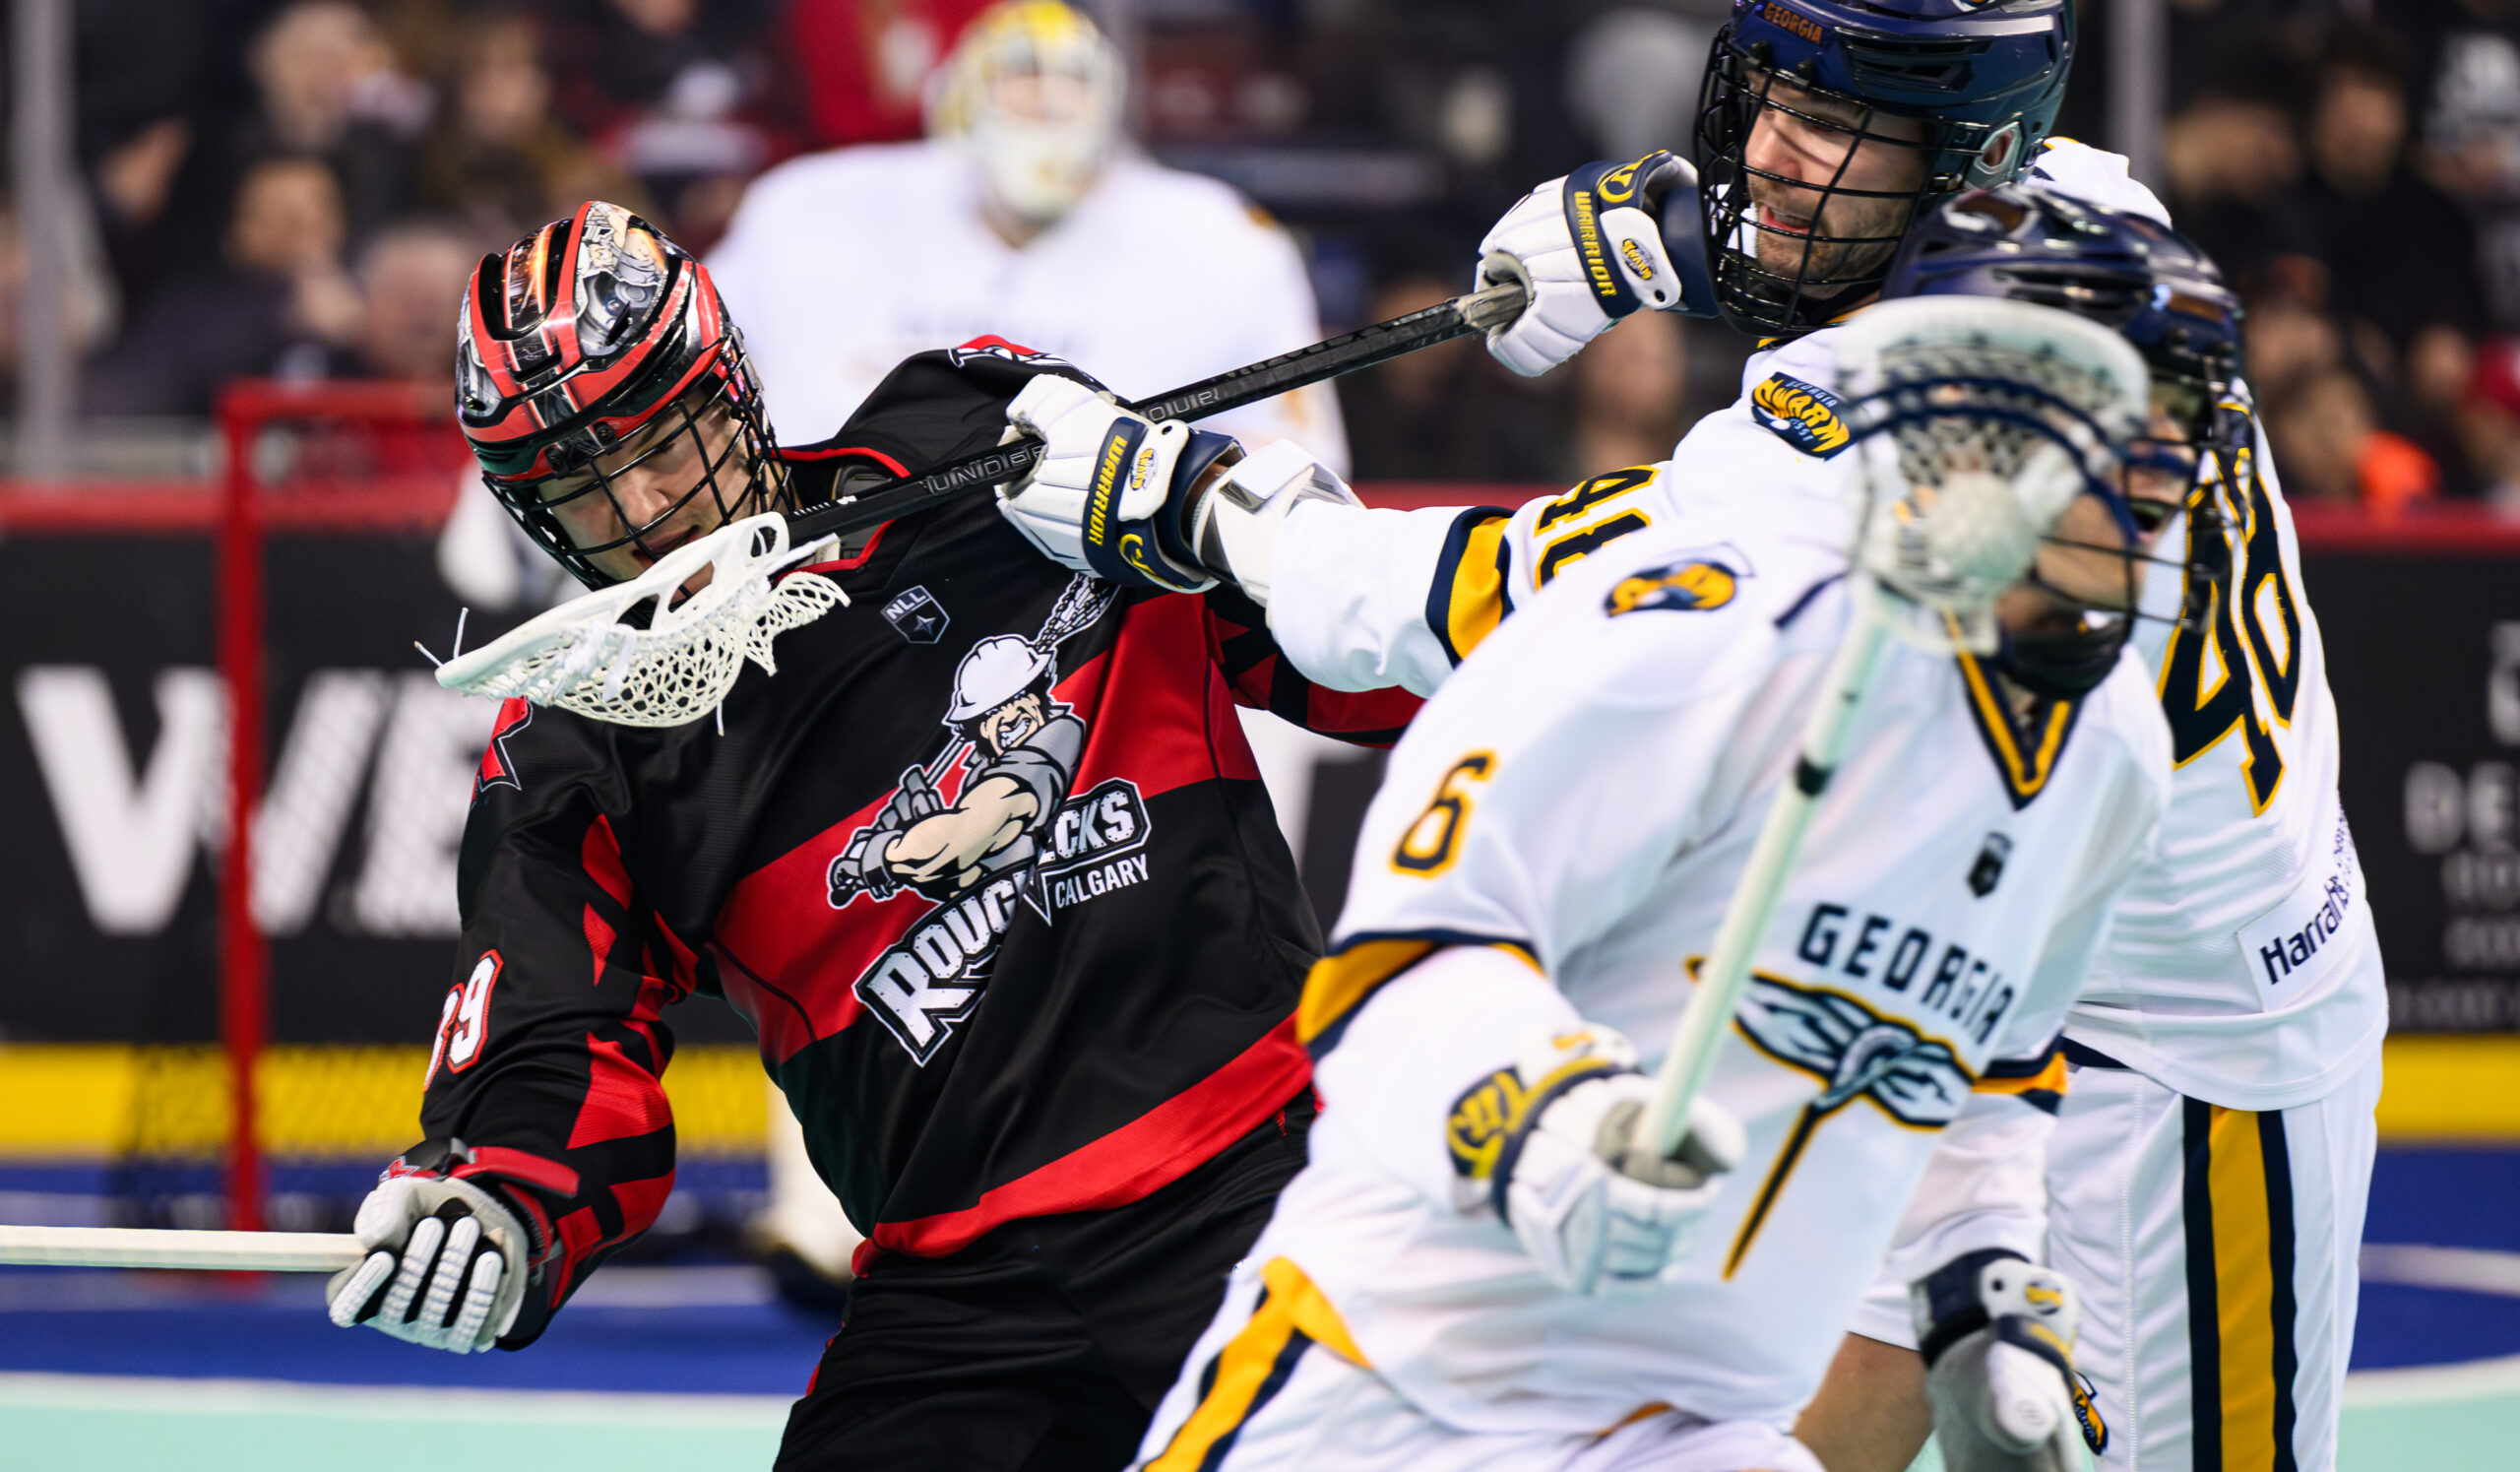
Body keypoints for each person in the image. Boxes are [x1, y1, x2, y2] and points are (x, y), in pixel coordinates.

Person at [1002, 1, 2383, 1465]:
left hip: (2174, 1047)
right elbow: (1911, 230)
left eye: (1839, 124)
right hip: (1951, 948)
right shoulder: (2102, 229)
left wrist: (1202, 500)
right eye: (1778, 95)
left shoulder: (1841, 463)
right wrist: (1666, 230)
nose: (1779, 150)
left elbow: (1464, 596)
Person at [319, 200, 1418, 1471]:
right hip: (958, 1290)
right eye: (580, 486)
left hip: (1266, 1185)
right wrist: (494, 1201)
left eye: (661, 446)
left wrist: (1245, 521)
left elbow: (1349, 658)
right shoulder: (577, 745)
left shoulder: (983, 445)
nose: (642, 511)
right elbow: (558, 1050)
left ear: (729, 391)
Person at [1118, 286, 2176, 1469]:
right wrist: (1542, 1122)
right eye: (2114, 432)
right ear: (1981, 462)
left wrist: (1981, 1291)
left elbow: (1985, 1073)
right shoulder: (1705, 633)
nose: (2158, 476)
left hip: (1700, 1426)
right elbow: (1398, 958)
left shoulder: (2119, 750)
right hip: (1404, 1381)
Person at [706, 0, 1355, 1291]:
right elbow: (711, 410)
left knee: (1174, 887)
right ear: (956, 97)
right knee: (856, 893)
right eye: (1022, 88)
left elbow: (1301, 487)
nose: (1046, 118)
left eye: (1073, 89)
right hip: (880, 632)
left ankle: (1237, 1171)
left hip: (1139, 641)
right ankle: (829, 1203)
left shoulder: (1217, 241)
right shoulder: (811, 216)